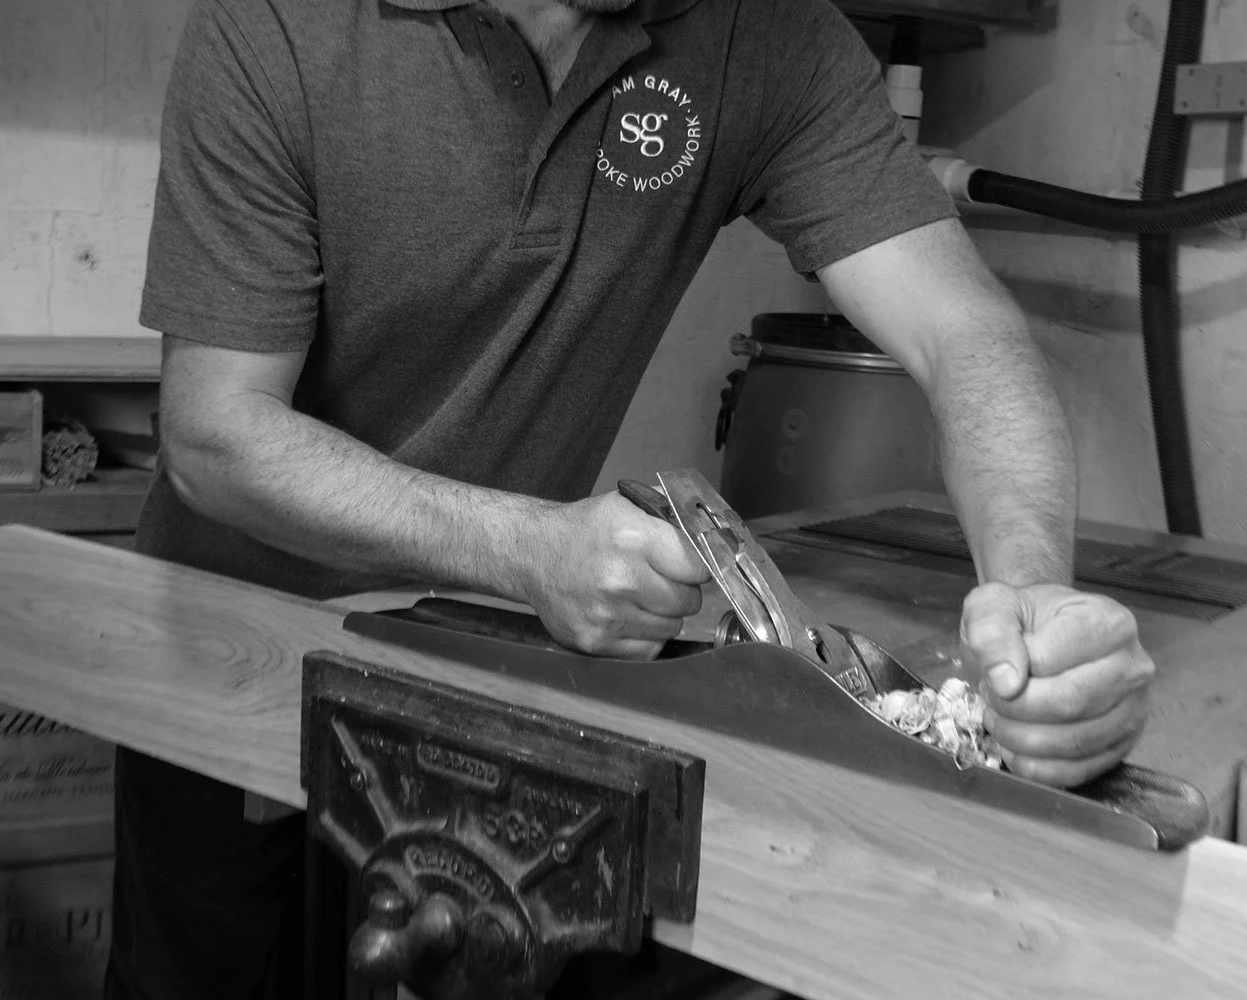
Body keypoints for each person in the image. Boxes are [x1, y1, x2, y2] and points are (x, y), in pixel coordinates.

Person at [105, 0, 1156, 996]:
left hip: (485, 654)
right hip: (237, 645)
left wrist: (1032, 600)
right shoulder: (280, 28)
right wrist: (529, 549)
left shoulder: (762, 37)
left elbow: (964, 332)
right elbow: (215, 433)